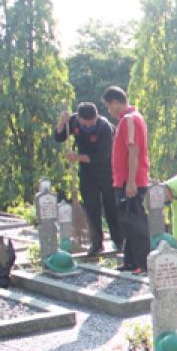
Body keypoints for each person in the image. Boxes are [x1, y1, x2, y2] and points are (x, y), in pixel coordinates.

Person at [55, 103, 118, 257]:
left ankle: (119, 240)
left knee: (111, 206)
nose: (88, 126)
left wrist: (77, 157)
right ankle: (96, 244)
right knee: (91, 208)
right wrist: (61, 123)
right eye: (85, 124)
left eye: (91, 123)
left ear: (96, 116)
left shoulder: (104, 128)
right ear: (79, 118)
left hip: (107, 171)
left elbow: (102, 157)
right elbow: (59, 137)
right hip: (87, 173)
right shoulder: (74, 121)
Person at [102, 86, 150, 273]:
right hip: (124, 179)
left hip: (130, 180)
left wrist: (131, 181)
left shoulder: (129, 120)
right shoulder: (131, 118)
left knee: (135, 221)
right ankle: (131, 261)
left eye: (108, 106)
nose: (109, 111)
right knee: (127, 221)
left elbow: (133, 150)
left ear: (115, 102)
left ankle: (143, 263)